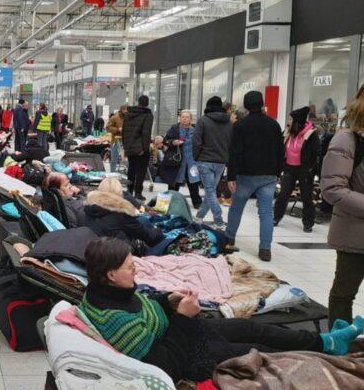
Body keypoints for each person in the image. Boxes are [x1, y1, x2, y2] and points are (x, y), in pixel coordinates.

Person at [79, 237, 364, 384]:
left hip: (184, 334)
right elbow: (165, 365)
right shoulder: (113, 319)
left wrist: (169, 301)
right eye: (130, 267)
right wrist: (183, 318)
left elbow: (147, 310)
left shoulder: (111, 291)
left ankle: (326, 342)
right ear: (111, 274)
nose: (136, 268)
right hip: (188, 356)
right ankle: (324, 351)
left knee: (250, 326)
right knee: (257, 348)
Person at [322, 86, 364, 325]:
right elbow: (333, 189)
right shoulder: (347, 139)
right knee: (343, 294)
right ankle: (339, 350)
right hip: (354, 236)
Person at [225, 91, 284, 261]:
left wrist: (231, 176)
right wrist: (278, 172)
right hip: (269, 175)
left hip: (246, 174)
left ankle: (229, 238)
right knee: (266, 213)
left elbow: (235, 153)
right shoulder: (274, 125)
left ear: (245, 105)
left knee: (237, 208)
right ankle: (265, 249)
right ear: (262, 103)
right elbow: (281, 151)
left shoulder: (241, 125)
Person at [273, 106, 320, 232]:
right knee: (283, 194)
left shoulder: (311, 134)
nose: (288, 121)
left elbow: (317, 153)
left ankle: (308, 223)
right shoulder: (288, 132)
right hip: (289, 168)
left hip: (304, 169)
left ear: (297, 121)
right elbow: (280, 148)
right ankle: (276, 217)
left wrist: (312, 169)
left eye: (290, 119)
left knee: (306, 197)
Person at [82, 177, 163, 248]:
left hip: (98, 251)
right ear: (120, 193)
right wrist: (158, 230)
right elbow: (148, 237)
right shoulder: (121, 215)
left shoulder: (87, 209)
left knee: (142, 221)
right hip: (119, 254)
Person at [193, 97, 232, 230]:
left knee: (210, 192)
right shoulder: (229, 122)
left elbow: (196, 141)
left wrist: (196, 157)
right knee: (211, 191)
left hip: (205, 160)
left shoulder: (203, 120)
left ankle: (219, 221)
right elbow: (231, 142)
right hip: (221, 161)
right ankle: (199, 217)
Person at [159, 111, 202, 208]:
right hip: (178, 160)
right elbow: (165, 141)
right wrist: (173, 142)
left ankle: (197, 202)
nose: (184, 119)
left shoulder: (195, 129)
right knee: (175, 181)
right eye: (182, 117)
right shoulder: (174, 128)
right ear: (180, 118)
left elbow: (200, 143)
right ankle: (170, 202)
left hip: (192, 161)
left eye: (187, 117)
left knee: (193, 182)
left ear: (191, 119)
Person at [122, 95, 154, 201]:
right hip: (141, 147)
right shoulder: (147, 115)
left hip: (130, 146)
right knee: (141, 171)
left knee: (131, 169)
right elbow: (146, 133)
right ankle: (138, 193)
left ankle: (129, 190)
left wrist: (126, 147)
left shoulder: (128, 114)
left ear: (138, 102)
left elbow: (124, 132)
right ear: (147, 103)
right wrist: (145, 149)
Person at [107, 105, 128, 172]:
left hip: (126, 141)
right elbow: (108, 127)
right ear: (121, 110)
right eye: (125, 110)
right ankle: (112, 173)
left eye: (127, 110)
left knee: (126, 159)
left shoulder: (128, 118)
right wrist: (118, 130)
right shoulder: (114, 117)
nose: (126, 111)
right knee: (114, 158)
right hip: (116, 141)